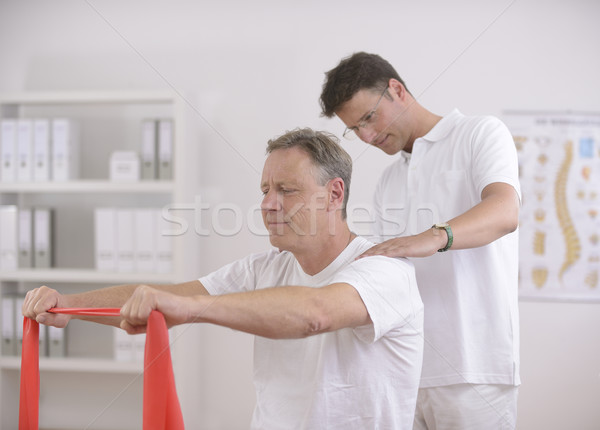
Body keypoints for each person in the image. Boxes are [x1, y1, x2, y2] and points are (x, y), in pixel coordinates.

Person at [23, 128, 424, 430]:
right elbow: (159, 298)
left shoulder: (385, 269)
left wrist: (193, 308)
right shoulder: (262, 269)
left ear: (335, 195)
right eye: (265, 189)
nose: (268, 204)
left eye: (286, 190)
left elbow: (314, 314)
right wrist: (67, 306)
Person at [320, 52, 521, 430]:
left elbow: (505, 212)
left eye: (368, 118)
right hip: (403, 373)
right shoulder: (388, 181)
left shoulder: (479, 133)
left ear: (397, 90)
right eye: (355, 129)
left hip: (474, 370)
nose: (366, 136)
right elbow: (385, 274)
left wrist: (431, 238)